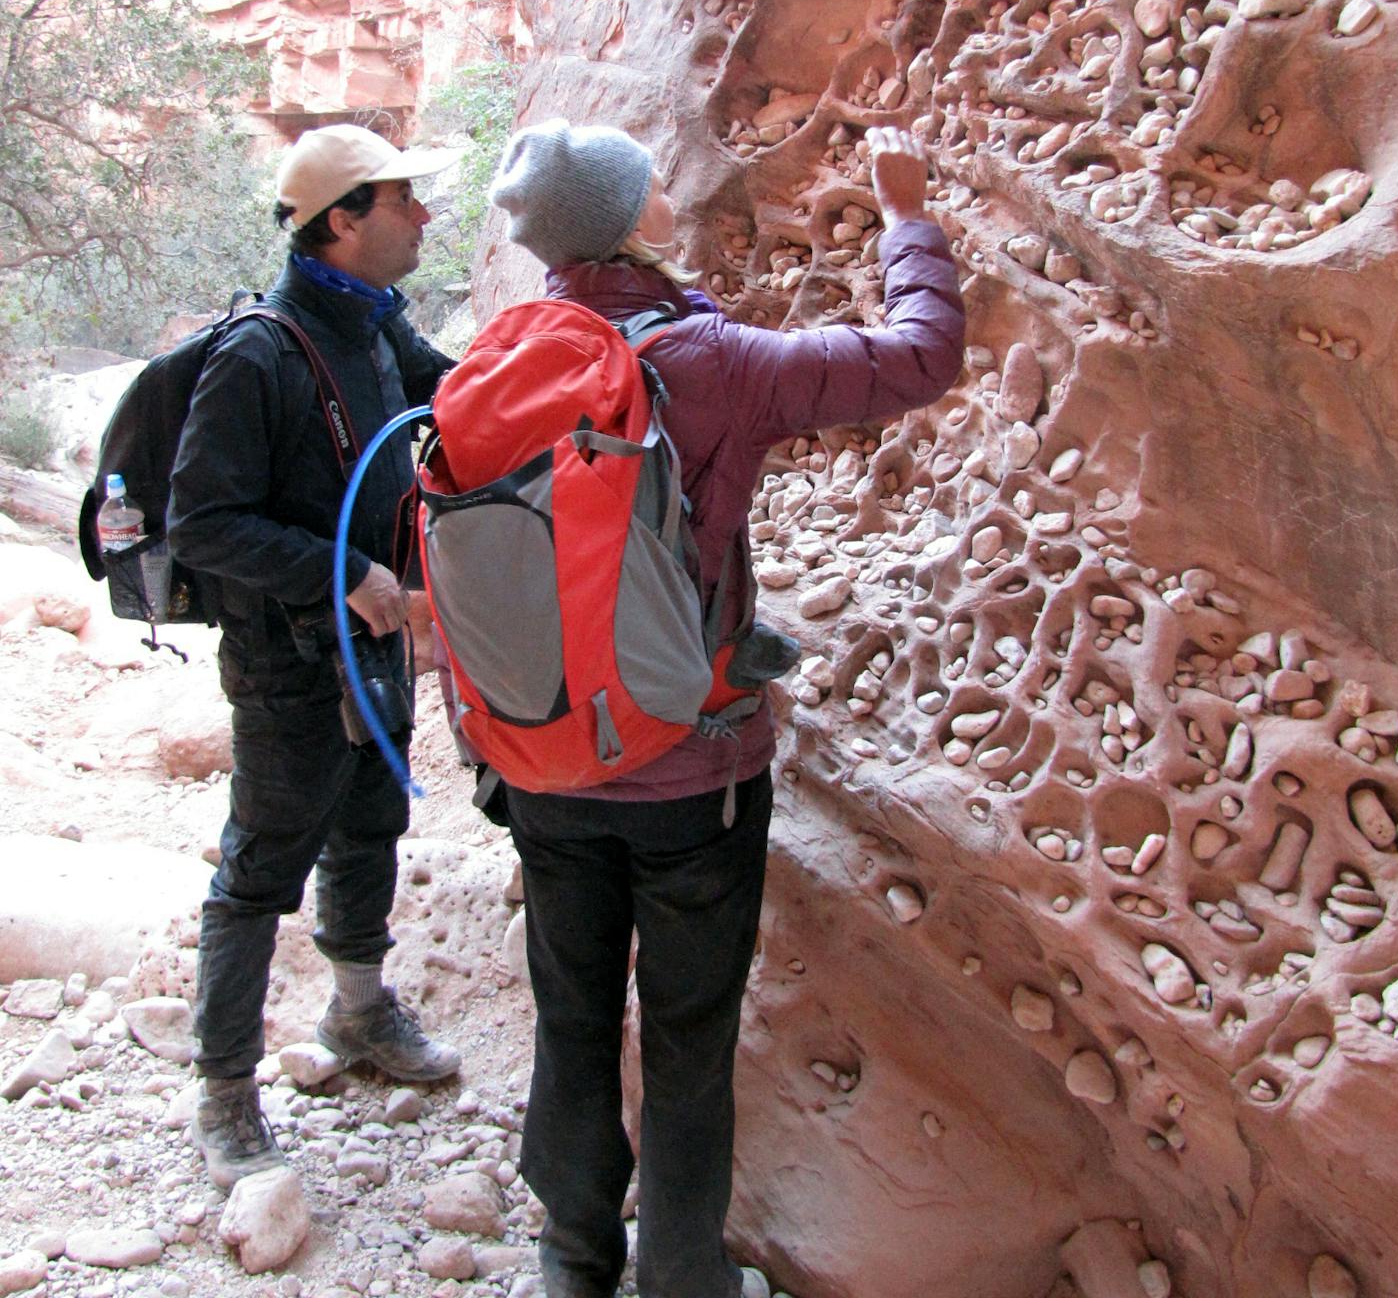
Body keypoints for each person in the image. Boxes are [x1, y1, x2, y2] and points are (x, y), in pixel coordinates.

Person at [485, 118, 966, 1298]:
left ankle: (572, 1262)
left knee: (573, 1016)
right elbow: (917, 358)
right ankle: (684, 1280)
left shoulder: (494, 361)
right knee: (689, 1036)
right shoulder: (710, 361)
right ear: (624, 222)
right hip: (688, 772)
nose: (665, 196)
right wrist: (905, 218)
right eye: (646, 188)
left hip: (544, 766)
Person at [168, 123, 463, 1189]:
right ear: (343, 221)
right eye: (402, 200)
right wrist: (345, 575)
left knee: (369, 822)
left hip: (373, 646)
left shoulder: (378, 329)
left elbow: (456, 397)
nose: (423, 216)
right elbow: (200, 520)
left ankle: (357, 1016)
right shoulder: (260, 352)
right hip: (291, 658)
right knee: (260, 867)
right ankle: (226, 1092)